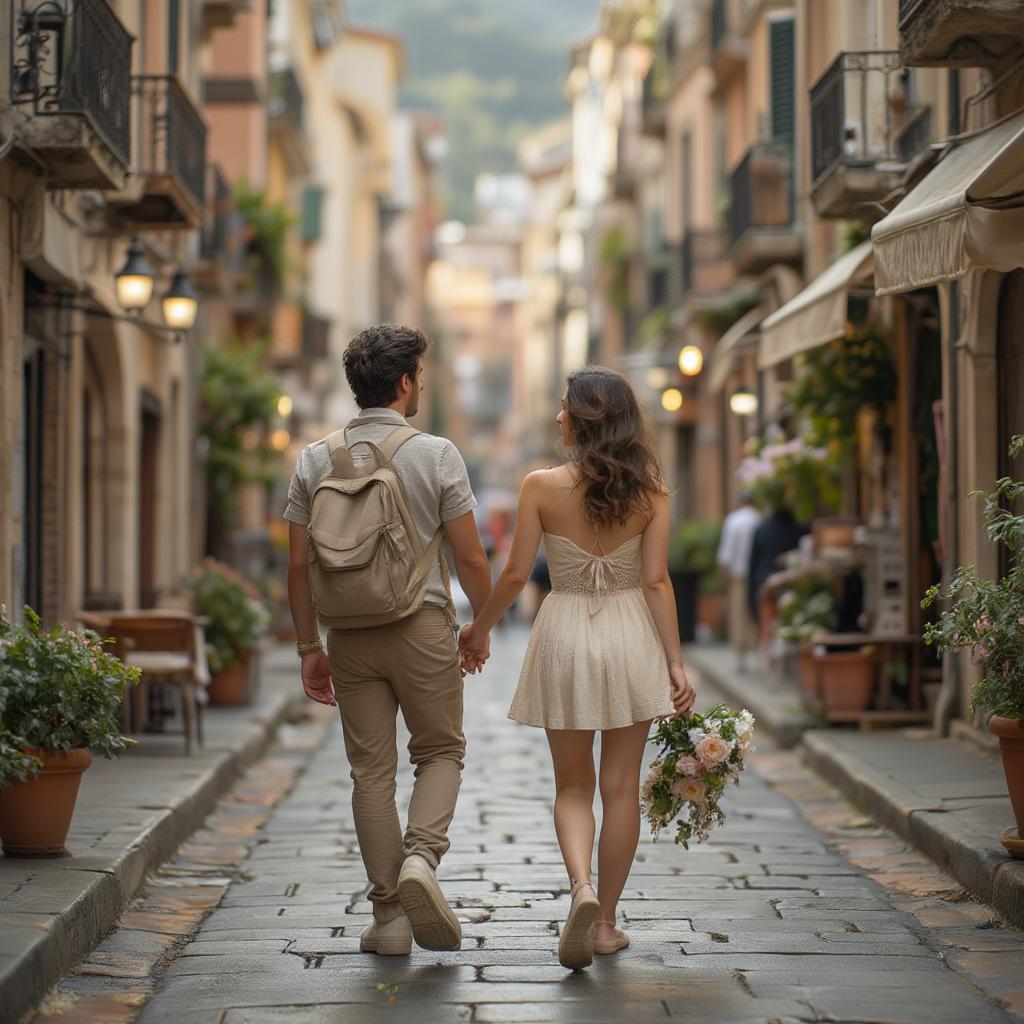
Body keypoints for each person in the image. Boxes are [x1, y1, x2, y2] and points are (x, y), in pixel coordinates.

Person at [458, 366, 696, 970]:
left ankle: (581, 890)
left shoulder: (538, 485)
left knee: (572, 786)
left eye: (565, 407)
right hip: (630, 636)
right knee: (621, 791)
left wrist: (478, 630)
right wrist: (675, 661)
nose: (557, 416)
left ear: (585, 417)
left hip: (564, 630)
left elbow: (515, 576)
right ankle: (607, 924)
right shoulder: (652, 494)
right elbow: (657, 581)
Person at [284, 325, 492, 957]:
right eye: (420, 376)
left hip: (348, 636)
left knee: (370, 773)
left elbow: (297, 566)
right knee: (441, 753)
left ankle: (390, 921)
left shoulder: (314, 458)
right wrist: (481, 624)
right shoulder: (436, 454)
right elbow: (471, 558)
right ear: (403, 383)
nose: (423, 385)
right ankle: (421, 860)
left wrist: (307, 647)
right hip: (422, 626)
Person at [716, 491, 762, 670]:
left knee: (738, 615)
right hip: (757, 575)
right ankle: (758, 652)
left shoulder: (733, 520)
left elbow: (726, 554)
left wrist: (722, 580)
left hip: (738, 575)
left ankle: (741, 657)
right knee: (754, 614)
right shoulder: (759, 519)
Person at [747, 504, 804, 640]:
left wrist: (750, 593)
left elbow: (753, 561)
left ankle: (767, 652)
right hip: (790, 580)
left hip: (764, 580)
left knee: (767, 623)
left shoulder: (762, 528)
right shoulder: (795, 528)